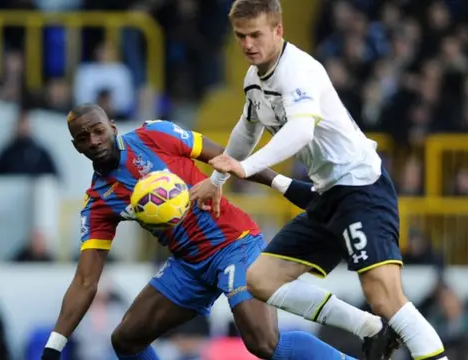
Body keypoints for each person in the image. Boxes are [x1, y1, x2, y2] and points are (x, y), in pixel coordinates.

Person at [190, 1, 448, 359]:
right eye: (240, 36)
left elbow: (299, 130)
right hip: (327, 194)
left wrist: (247, 170)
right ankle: (368, 328)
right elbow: (247, 130)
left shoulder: (298, 70)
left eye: (256, 35)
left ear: (278, 30)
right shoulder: (254, 80)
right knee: (260, 280)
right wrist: (217, 179)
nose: (248, 44)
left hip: (360, 188)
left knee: (385, 296)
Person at [41, 104, 366, 360]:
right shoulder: (98, 202)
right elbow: (86, 280)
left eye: (98, 131)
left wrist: (284, 185)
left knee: (265, 344)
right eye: (83, 137)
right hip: (189, 265)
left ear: (112, 128)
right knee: (126, 340)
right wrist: (54, 346)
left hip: (233, 243)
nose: (94, 141)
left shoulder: (154, 135)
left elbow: (227, 158)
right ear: (75, 145)